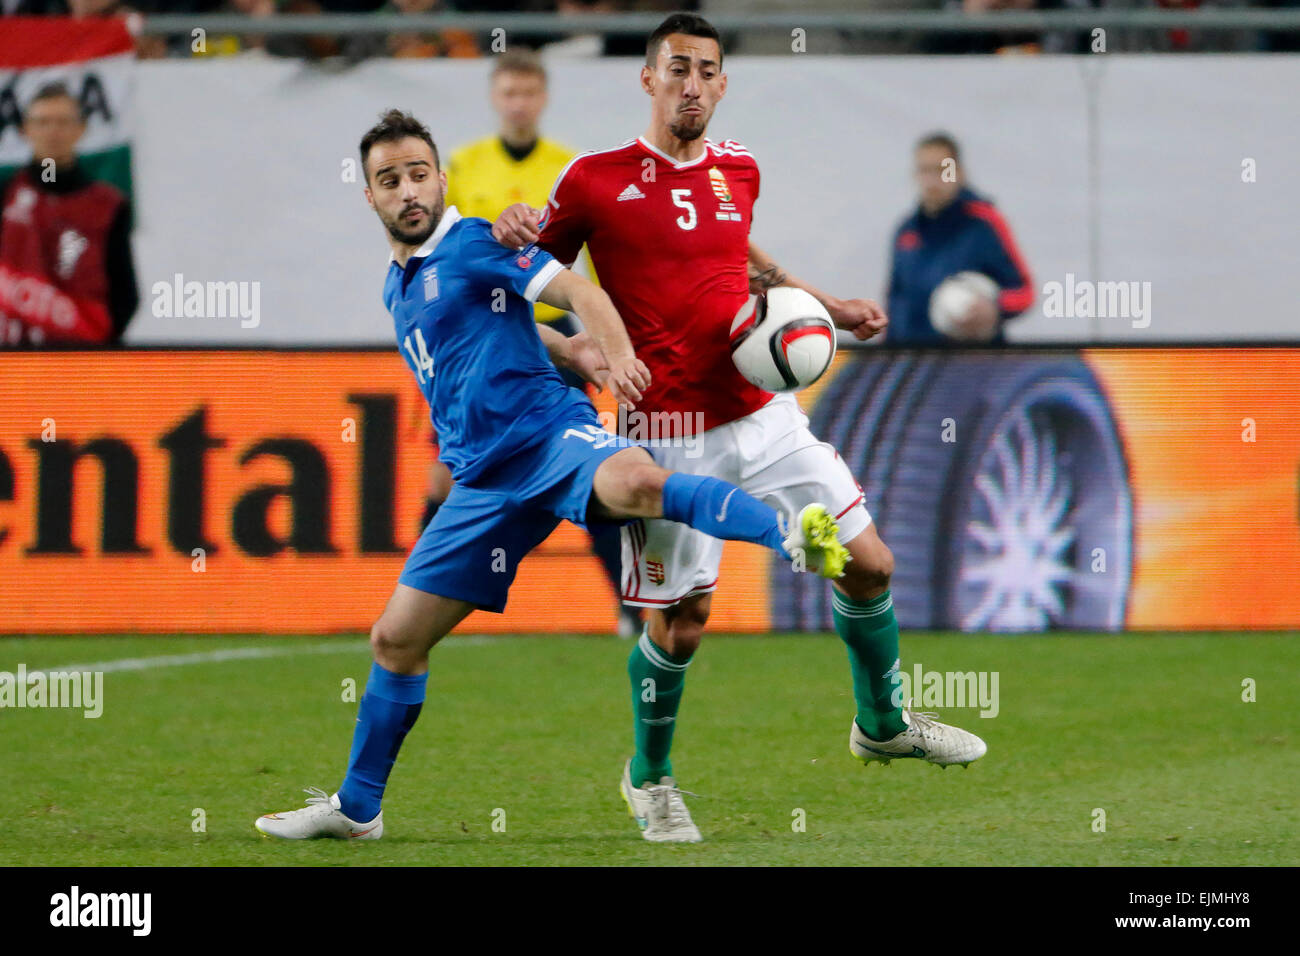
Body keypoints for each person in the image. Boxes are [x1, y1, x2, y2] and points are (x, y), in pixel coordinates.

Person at [253, 109, 848, 841]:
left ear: (442, 180)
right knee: (395, 641)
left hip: (548, 435)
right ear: (369, 196)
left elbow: (581, 294)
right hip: (484, 480)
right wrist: (569, 352)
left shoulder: (472, 243)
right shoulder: (400, 284)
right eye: (389, 180)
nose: (407, 190)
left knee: (636, 484)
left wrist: (614, 352)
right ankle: (357, 809)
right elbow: (499, 324)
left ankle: (789, 533)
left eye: (417, 174)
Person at [492, 13, 988, 842]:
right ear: (647, 78)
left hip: (763, 414)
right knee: (683, 623)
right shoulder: (593, 180)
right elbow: (527, 277)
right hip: (667, 432)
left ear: (724, 84)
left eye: (708, 71)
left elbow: (737, 252)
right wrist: (555, 312)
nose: (692, 84)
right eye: (677, 68)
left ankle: (882, 724)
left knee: (870, 565)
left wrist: (823, 303)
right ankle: (649, 776)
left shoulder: (740, 171)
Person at [442, 47, 641, 638]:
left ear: (543, 98)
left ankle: (630, 606)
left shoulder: (567, 168)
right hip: (483, 340)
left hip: (560, 340)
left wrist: (613, 339)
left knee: (587, 464)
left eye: (528, 93)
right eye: (508, 93)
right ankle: (433, 592)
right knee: (451, 476)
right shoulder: (466, 165)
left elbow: (587, 277)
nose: (519, 104)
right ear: (494, 98)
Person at [0, 82, 138, 347]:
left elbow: (125, 295)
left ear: (81, 129)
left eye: (63, 121)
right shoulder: (6, 194)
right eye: (43, 122)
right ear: (24, 130)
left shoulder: (108, 204)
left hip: (81, 363)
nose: (53, 131)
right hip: (11, 361)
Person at [884, 132, 1035, 346]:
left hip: (972, 364)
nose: (932, 180)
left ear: (959, 173)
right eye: (925, 170)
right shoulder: (906, 232)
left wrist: (994, 308)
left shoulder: (984, 224)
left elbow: (1025, 293)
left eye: (941, 170)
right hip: (915, 366)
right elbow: (895, 302)